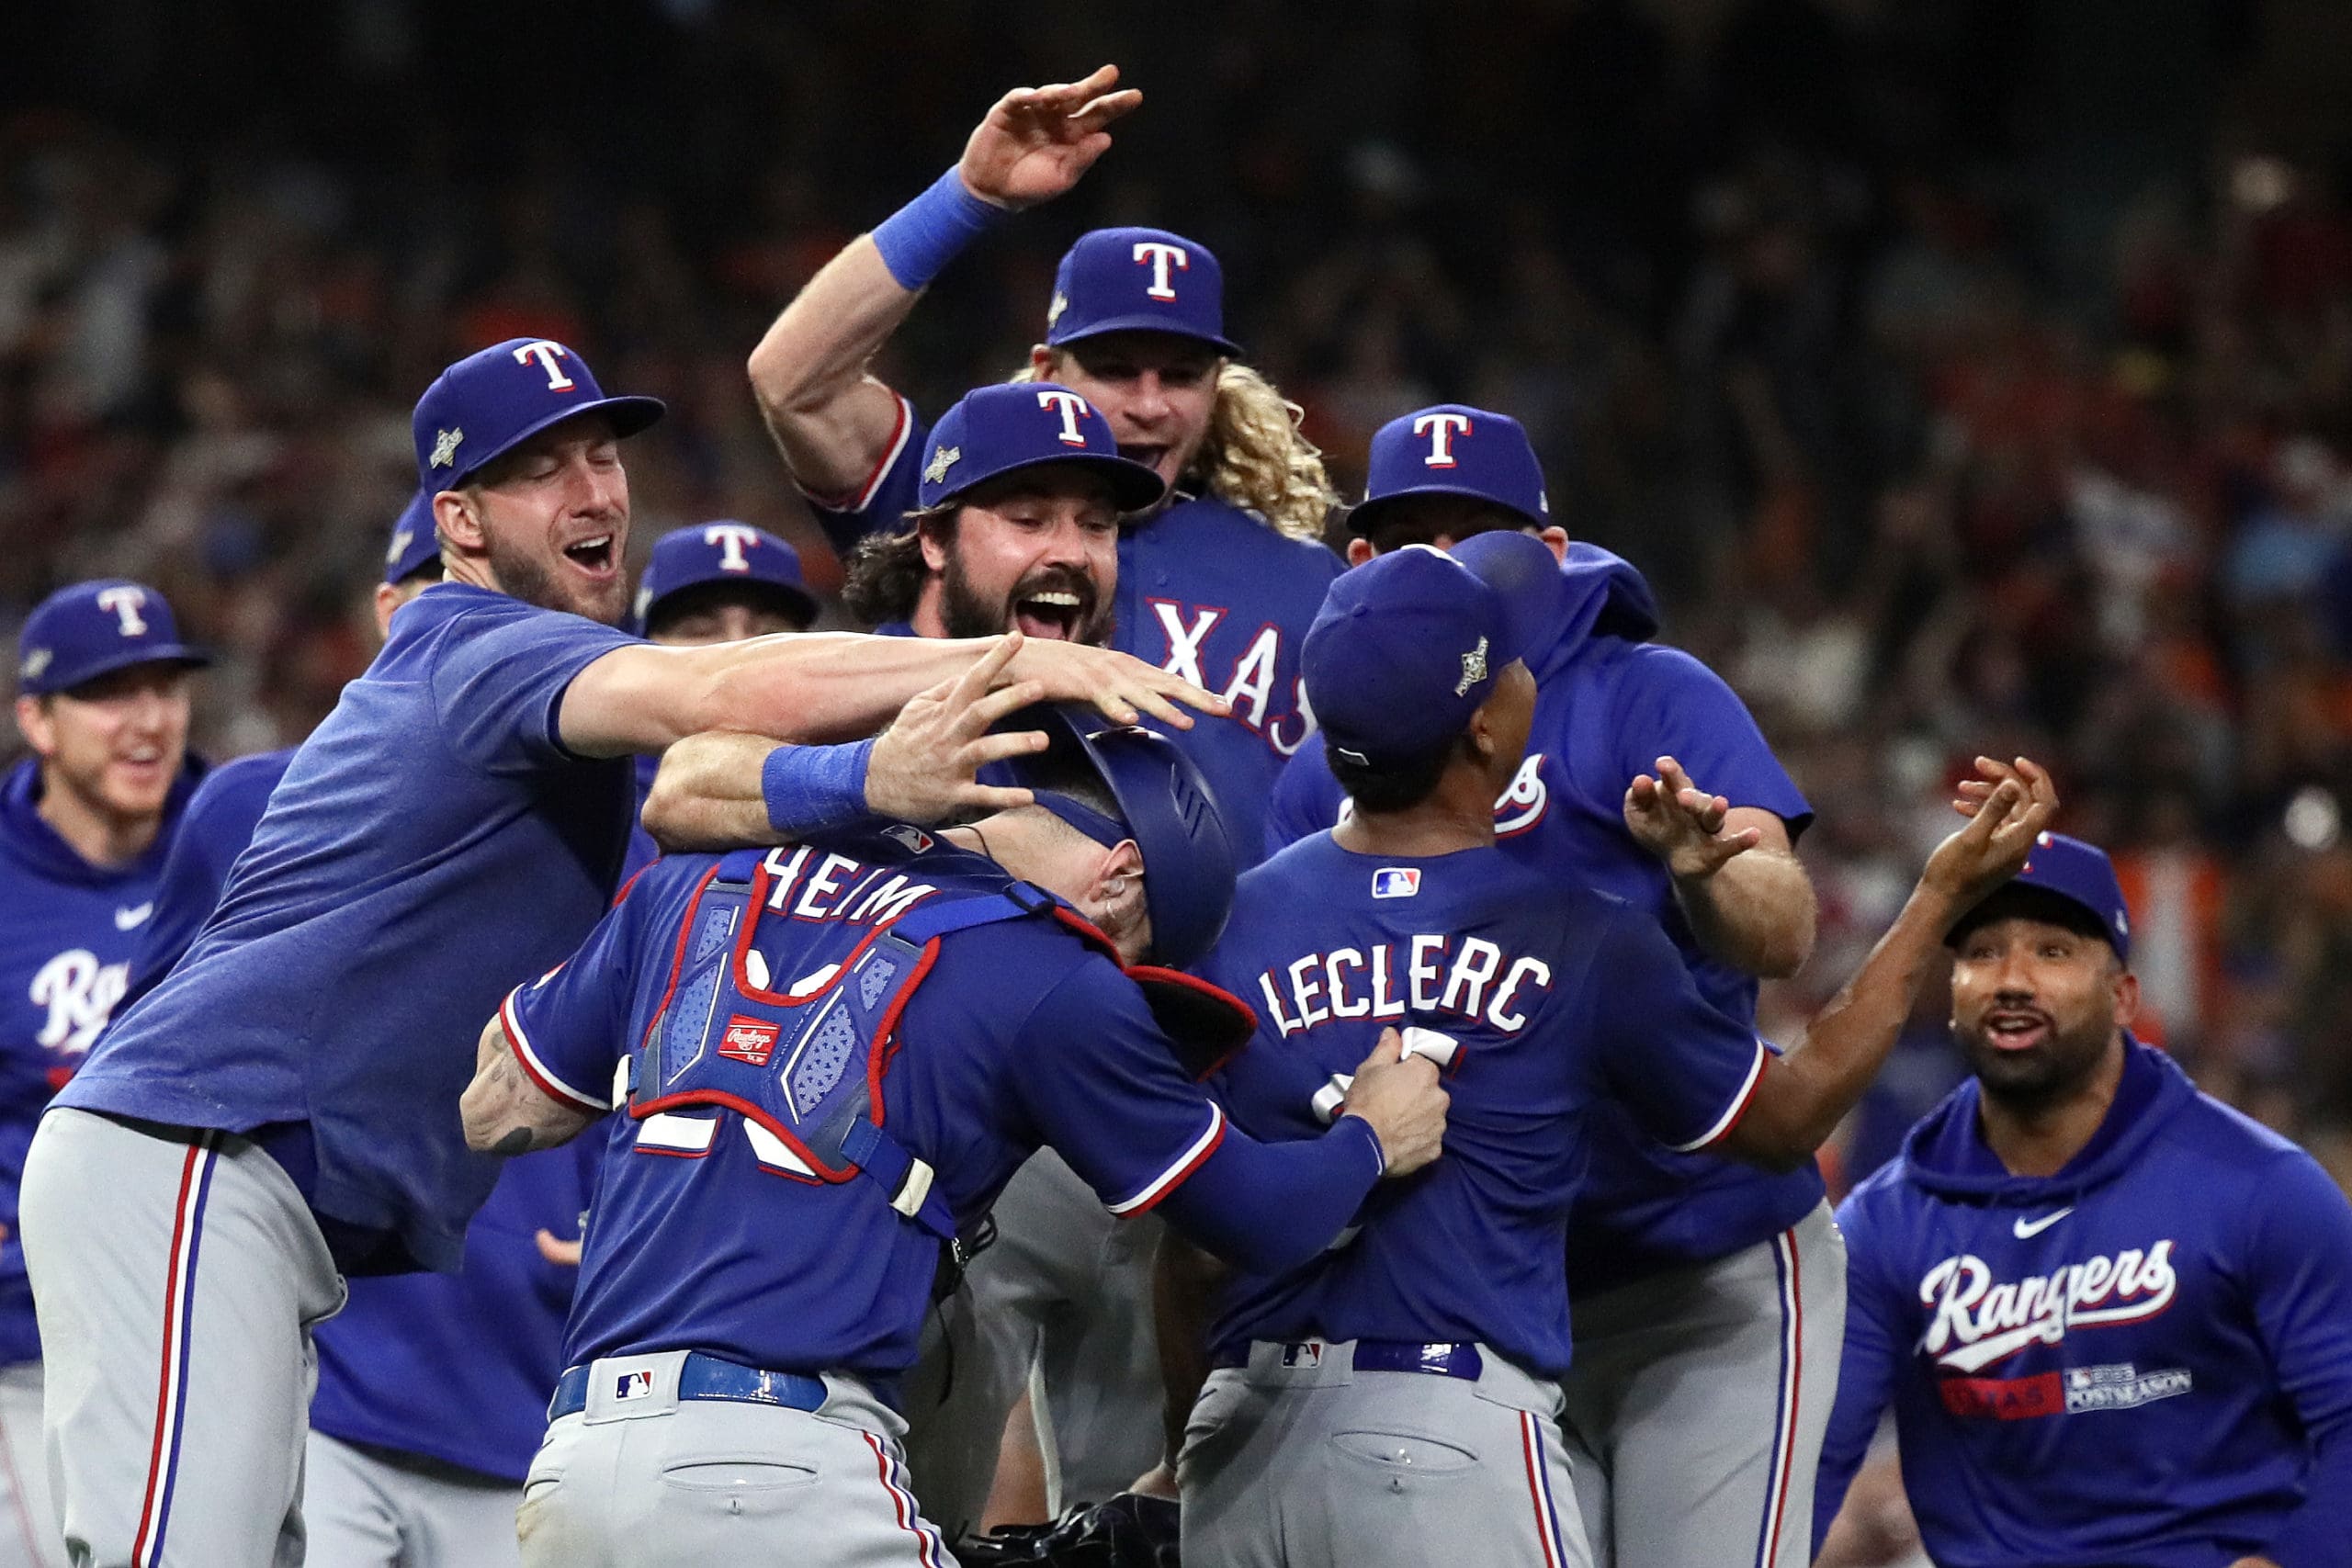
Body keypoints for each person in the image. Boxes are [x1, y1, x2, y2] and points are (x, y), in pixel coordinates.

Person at [17, 335, 1220, 1568]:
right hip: (194, 1161)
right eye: (541, 469)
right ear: (461, 521)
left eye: (603, 455)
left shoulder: (534, 693)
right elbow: (721, 695)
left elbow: (709, 784)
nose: (594, 489)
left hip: (252, 1196)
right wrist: (1009, 661)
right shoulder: (476, 642)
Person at [1169, 537, 2057, 1568]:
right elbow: (1788, 1118)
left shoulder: (1231, 926)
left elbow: (1188, 1255)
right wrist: (1940, 896)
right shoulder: (1577, 937)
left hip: (1235, 1444)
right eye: (1511, 664)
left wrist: (1181, 1441)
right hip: (1444, 1432)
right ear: (1488, 731)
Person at [455, 690, 1454, 1568]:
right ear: (1116, 881)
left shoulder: (692, 884)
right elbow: (1260, 1220)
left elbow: (497, 1110)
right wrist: (1369, 1135)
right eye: (1136, 947)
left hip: (577, 1468)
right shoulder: (1054, 973)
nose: (1120, 968)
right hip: (782, 1470)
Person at [1264, 406, 1838, 1568]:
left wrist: (1706, 877)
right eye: (1416, 537)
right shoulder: (1324, 770)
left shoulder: (1647, 694)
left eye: (1481, 533)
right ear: (1362, 562)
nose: (1455, 561)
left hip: (1704, 1267)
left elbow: (1779, 933)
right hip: (1495, 1309)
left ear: (1551, 551)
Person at [119, 495, 586, 1568]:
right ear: (392, 611)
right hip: (327, 1375)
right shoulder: (253, 806)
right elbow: (148, 1086)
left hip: (525, 1391)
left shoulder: (608, 817)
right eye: (446, 587)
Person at [749, 65, 1341, 870]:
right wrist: (967, 196)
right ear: (1047, 369)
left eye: (1180, 375)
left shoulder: (1306, 581)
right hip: (964, 940)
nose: (1149, 403)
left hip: (1214, 984)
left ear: (1217, 386)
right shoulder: (969, 506)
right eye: (1116, 367)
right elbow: (793, 381)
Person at [825, 375, 1180, 1537]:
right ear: (931, 540)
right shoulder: (839, 702)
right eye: (1027, 517)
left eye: (1096, 522)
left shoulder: (1132, 741)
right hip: (858, 1224)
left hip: (1087, 1187)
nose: (1068, 552)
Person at [1814, 833, 2352, 1568]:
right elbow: (1806, 1467)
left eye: (2053, 951)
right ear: (1953, 997)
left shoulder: (2262, 1188)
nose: (2012, 979)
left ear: (2124, 995)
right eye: (1982, 952)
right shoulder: (1885, 1225)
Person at [0, 581, 208, 1567]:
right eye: (109, 692)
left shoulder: (245, 842)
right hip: (26, 1348)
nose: (149, 721)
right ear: (36, 719)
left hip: (213, 1328)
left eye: (165, 687)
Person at [622, 521, 822, 879]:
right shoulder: (591, 804)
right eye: (700, 631)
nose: (737, 650)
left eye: (770, 633)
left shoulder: (841, 808)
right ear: (642, 650)